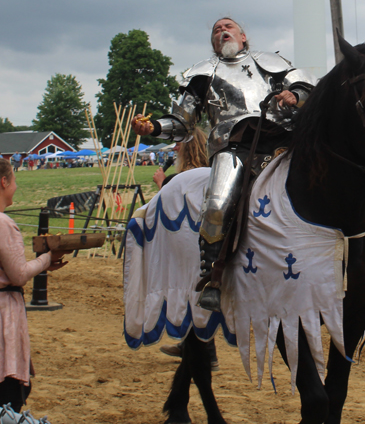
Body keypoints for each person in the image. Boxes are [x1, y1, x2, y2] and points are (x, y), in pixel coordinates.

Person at [132, 17, 316, 311]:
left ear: (243, 37)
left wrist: (294, 96)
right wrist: (152, 128)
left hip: (284, 139)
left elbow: (308, 88)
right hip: (233, 145)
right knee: (217, 205)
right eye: (216, 30)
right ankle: (213, 276)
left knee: (338, 169)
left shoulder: (273, 63)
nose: (222, 31)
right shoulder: (202, 75)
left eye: (228, 27)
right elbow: (182, 124)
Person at [0, 158, 70, 412]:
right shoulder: (0, 223)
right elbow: (18, 275)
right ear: (3, 182)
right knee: (12, 393)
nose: (17, 186)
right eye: (14, 180)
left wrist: (43, 263)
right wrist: (47, 259)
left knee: (6, 390)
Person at [153, 127, 219, 370]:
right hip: (202, 244)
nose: (174, 148)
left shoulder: (181, 180)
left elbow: (170, 212)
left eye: (178, 144)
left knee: (192, 292)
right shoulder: (212, 174)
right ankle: (191, 345)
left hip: (191, 245)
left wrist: (162, 184)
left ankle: (205, 352)